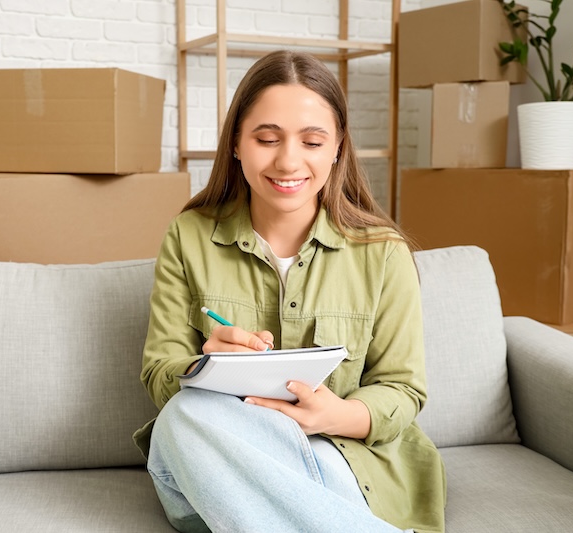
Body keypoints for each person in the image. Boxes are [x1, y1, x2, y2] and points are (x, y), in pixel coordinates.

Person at [133, 50, 446, 533]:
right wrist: (203, 368)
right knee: (181, 417)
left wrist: (337, 414)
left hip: (337, 461)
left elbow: (402, 390)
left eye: (313, 141)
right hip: (215, 464)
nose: (288, 161)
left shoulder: (383, 253)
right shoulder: (189, 235)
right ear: (237, 142)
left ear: (338, 147)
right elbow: (160, 374)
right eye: (266, 138)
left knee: (195, 433)